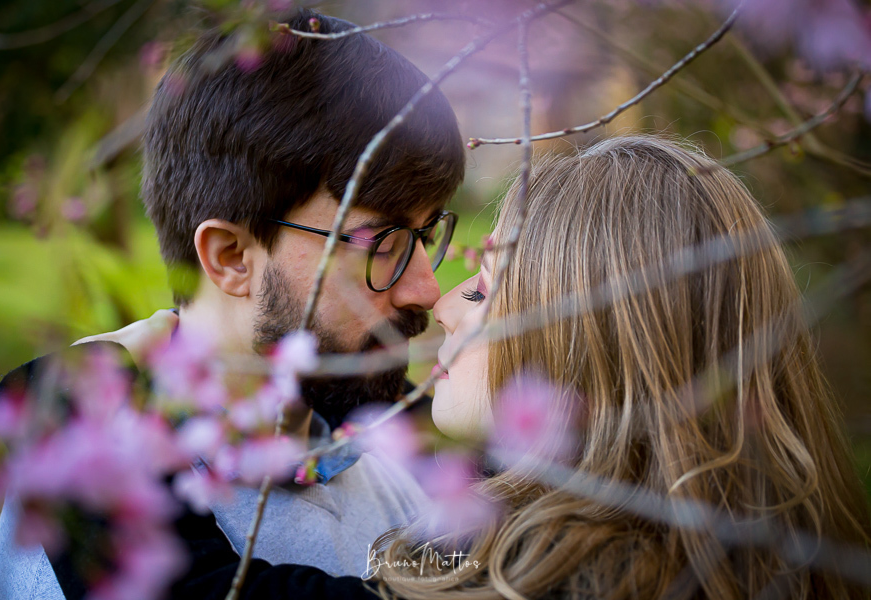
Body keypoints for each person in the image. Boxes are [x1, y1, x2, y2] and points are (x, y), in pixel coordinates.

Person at [165, 136, 871, 599]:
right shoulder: (724, 550)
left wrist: (75, 408)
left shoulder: (545, 580)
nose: (442, 304)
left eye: (484, 288)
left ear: (583, 346)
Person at [0, 8, 465, 600]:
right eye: (384, 243)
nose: (426, 288)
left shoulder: (383, 465)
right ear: (232, 257)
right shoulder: (80, 479)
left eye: (425, 236)